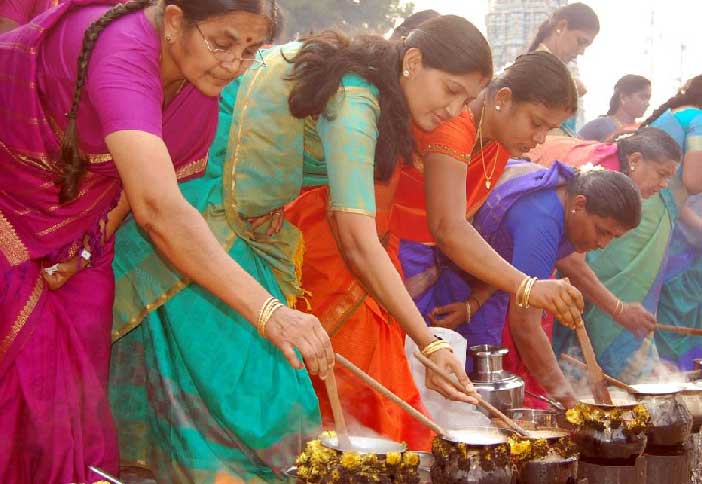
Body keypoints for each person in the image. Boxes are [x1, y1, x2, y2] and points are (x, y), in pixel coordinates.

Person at [109, 14, 494, 477]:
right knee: (265, 409)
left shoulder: (371, 93)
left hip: (241, 231)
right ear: (412, 61)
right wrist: (428, 344)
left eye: (467, 101)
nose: (455, 110)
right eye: (451, 90)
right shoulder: (354, 98)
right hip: (198, 222)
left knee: (271, 403)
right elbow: (356, 241)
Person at [0, 1, 323, 482]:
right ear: (174, 21)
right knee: (28, 378)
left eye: (250, 49)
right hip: (10, 197)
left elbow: (132, 182)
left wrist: (83, 248)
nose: (235, 64)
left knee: (81, 383)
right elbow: (158, 209)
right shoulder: (122, 51)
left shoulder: (198, 77)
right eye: (223, 42)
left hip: (83, 223)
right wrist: (268, 310)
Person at [285, 49, 585, 445]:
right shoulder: (454, 128)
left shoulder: (494, 146)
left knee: (384, 385)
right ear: (503, 98)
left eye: (550, 129)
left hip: (383, 247)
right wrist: (527, 286)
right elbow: (448, 228)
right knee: (346, 381)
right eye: (536, 123)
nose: (539, 139)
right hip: (342, 241)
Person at [429, 162, 641, 408]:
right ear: (580, 204)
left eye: (612, 237)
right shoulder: (542, 222)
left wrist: (475, 302)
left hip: (482, 288)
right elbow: (525, 326)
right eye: (601, 231)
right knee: (466, 392)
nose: (603, 244)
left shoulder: (565, 194)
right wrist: (572, 406)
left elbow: (508, 255)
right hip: (454, 276)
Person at [547, 81, 700, 380]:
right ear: (634, 161)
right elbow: (570, 261)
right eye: (661, 175)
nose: (665, 186)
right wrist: (618, 309)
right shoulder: (598, 178)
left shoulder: (617, 178)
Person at [645, 76, 702, 370]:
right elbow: (693, 181)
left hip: (661, 226)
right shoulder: (698, 119)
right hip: (680, 240)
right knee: (673, 319)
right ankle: (669, 383)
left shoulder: (675, 116)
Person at [527, 2, 599, 136]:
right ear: (561, 26)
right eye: (580, 41)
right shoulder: (534, 68)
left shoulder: (561, 73)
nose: (581, 51)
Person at [579, 75, 652, 142]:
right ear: (623, 97)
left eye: (648, 99)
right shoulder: (598, 125)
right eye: (643, 97)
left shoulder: (644, 129)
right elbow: (575, 151)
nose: (647, 104)